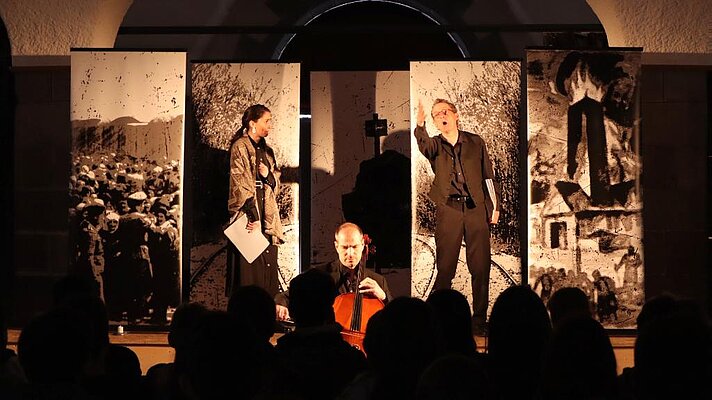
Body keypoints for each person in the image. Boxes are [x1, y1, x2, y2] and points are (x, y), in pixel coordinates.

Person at [414, 98, 500, 334]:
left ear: (455, 115)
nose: (441, 116)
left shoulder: (475, 142)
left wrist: (494, 207)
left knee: (480, 266)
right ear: (434, 122)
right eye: (436, 114)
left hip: (476, 209)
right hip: (449, 209)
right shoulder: (435, 145)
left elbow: (488, 177)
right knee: (446, 267)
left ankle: (479, 320)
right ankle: (439, 320)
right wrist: (420, 126)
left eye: (445, 111)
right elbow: (423, 145)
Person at [275, 222, 392, 321]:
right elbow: (286, 296)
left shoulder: (378, 280)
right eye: (345, 247)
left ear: (362, 245)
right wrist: (281, 305)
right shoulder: (320, 274)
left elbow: (394, 315)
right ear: (336, 246)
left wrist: (384, 298)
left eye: (355, 247)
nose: (350, 253)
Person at [226, 104, 284, 299]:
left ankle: (266, 310)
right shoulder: (240, 147)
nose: (270, 125)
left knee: (267, 269)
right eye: (266, 121)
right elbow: (239, 183)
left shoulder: (268, 152)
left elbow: (276, 184)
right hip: (250, 216)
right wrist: (254, 217)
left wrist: (268, 176)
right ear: (253, 123)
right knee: (250, 272)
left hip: (266, 217)